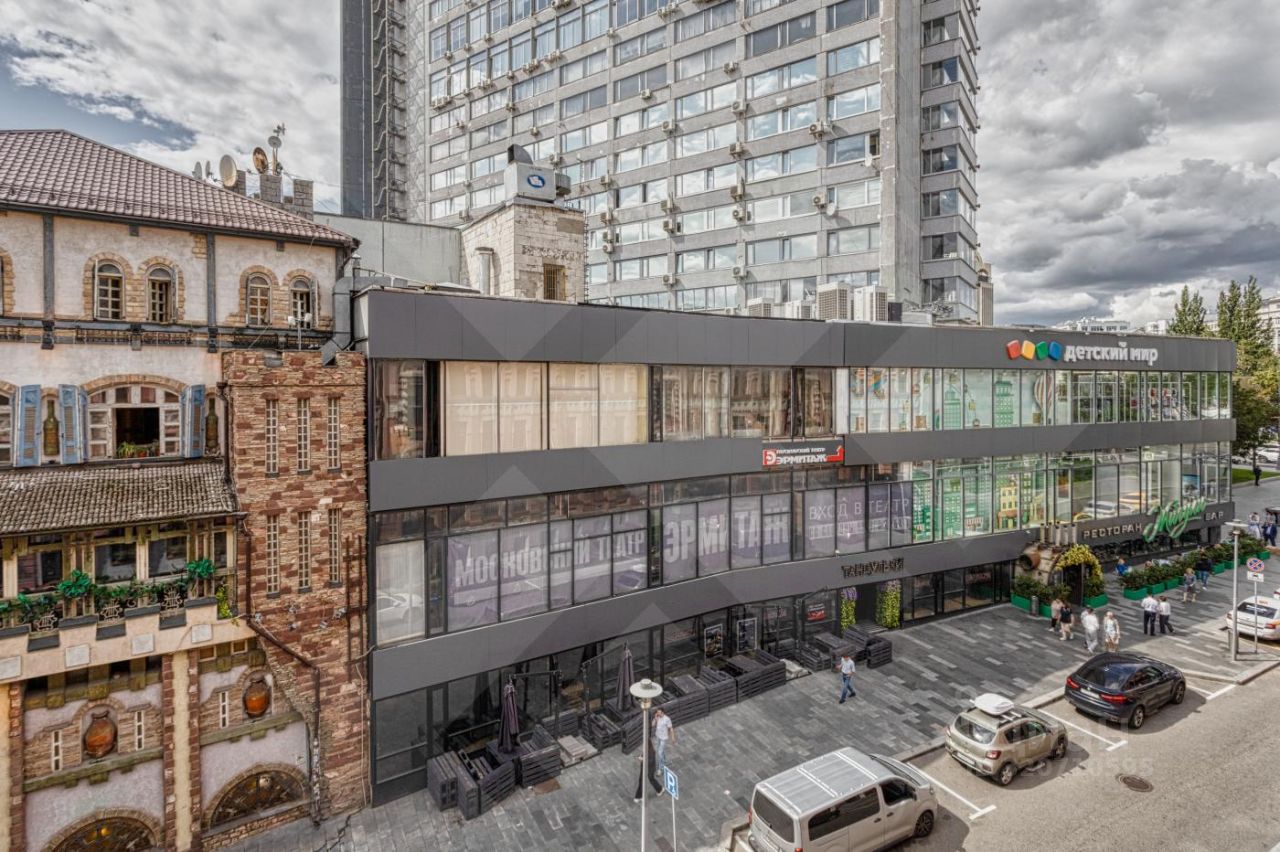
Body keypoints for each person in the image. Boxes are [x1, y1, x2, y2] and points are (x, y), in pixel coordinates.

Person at [634, 738, 661, 802]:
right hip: (644, 768)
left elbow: (650, 762)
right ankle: (638, 796)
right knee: (641, 781)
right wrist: (641, 757)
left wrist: (642, 759)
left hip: (650, 769)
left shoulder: (652, 752)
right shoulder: (646, 750)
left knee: (651, 779)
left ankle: (660, 789)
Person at [652, 708, 675, 783]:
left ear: (663, 713)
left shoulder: (667, 719)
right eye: (657, 713)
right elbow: (652, 725)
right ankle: (664, 761)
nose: (658, 714)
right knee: (661, 752)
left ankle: (660, 769)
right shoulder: (657, 718)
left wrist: (673, 737)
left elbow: (670, 728)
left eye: (659, 713)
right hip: (658, 736)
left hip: (664, 738)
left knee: (659, 753)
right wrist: (655, 718)